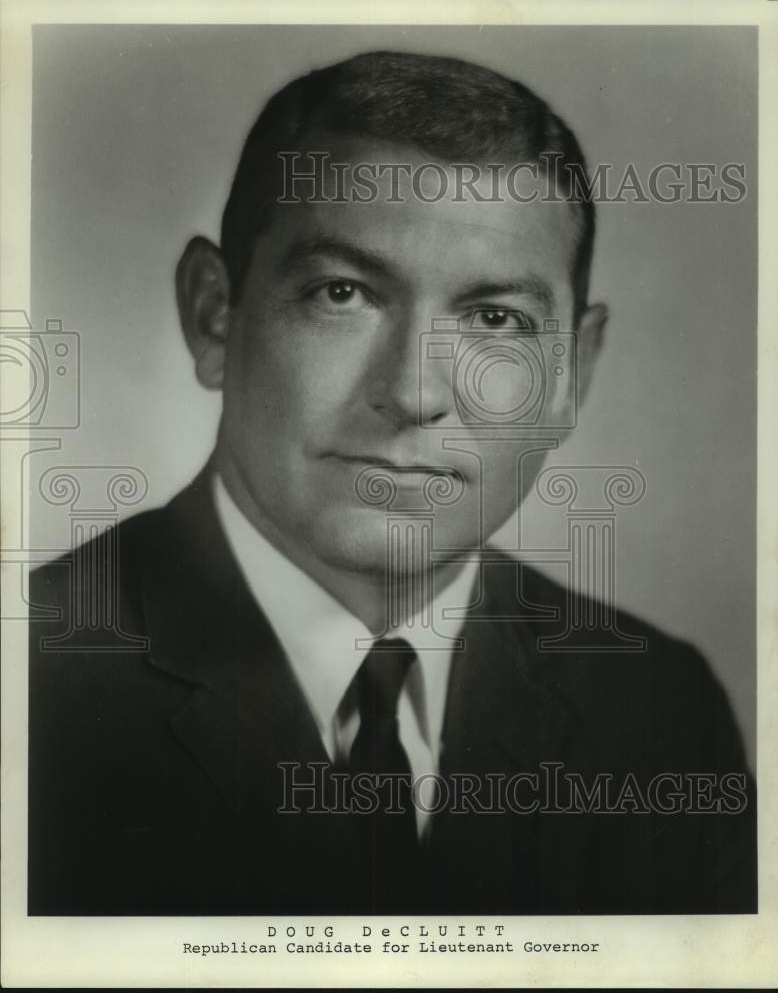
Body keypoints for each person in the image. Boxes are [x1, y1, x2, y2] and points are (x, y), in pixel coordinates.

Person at [27, 50, 756, 915]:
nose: (413, 393)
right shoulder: (30, 691)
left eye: (495, 319)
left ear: (570, 376)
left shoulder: (661, 714)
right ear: (214, 315)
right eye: (342, 294)